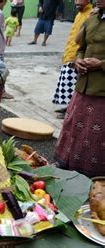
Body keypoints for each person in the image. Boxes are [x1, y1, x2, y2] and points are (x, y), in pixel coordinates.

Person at [54, 1, 105, 178]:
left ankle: (93, 174)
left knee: (96, 132)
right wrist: (79, 60)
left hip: (101, 89)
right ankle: (67, 165)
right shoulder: (92, 19)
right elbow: (81, 46)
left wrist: (101, 64)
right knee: (74, 124)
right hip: (83, 84)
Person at [52, 0, 93, 119]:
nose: (76, 2)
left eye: (80, 0)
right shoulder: (79, 14)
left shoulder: (91, 15)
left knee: (73, 85)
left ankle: (71, 111)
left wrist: (77, 56)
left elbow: (82, 40)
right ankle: (67, 108)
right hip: (69, 54)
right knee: (66, 85)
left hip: (77, 57)